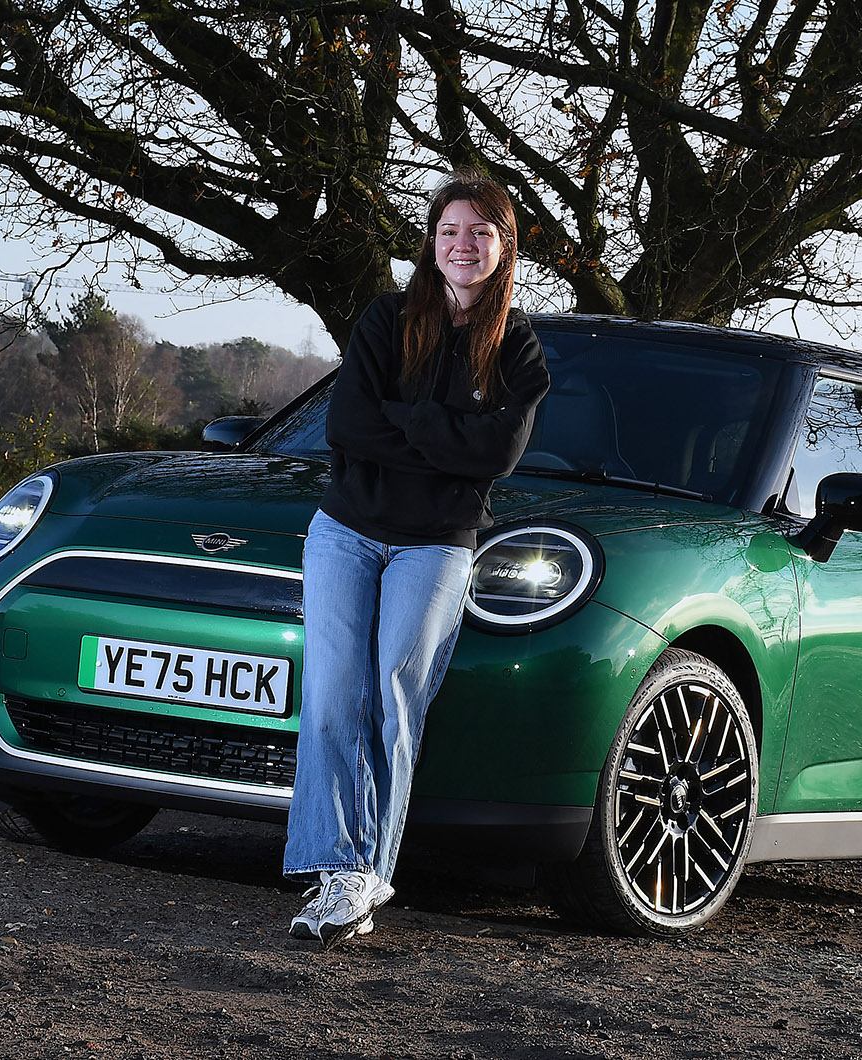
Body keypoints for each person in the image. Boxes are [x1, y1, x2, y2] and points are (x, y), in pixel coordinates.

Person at [282, 172, 551, 948]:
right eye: (448, 231)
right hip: (345, 529)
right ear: (432, 243)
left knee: (394, 699)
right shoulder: (385, 319)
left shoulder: (520, 348)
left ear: (502, 248)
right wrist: (446, 435)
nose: (462, 245)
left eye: (479, 232)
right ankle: (339, 873)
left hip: (437, 544)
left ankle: (366, 872)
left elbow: (497, 453)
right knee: (334, 695)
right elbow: (349, 427)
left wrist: (409, 420)